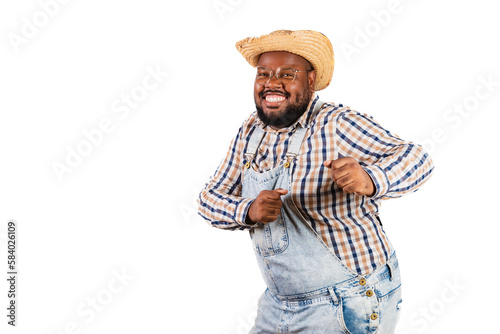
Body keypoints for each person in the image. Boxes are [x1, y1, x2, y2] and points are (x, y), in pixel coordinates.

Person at [198, 30, 434, 333]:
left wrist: (371, 179)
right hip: (279, 303)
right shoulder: (250, 131)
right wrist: (248, 210)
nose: (272, 82)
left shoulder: (336, 123)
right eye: (264, 73)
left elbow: (417, 158)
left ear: (310, 80)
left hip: (347, 298)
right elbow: (210, 199)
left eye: (287, 74)